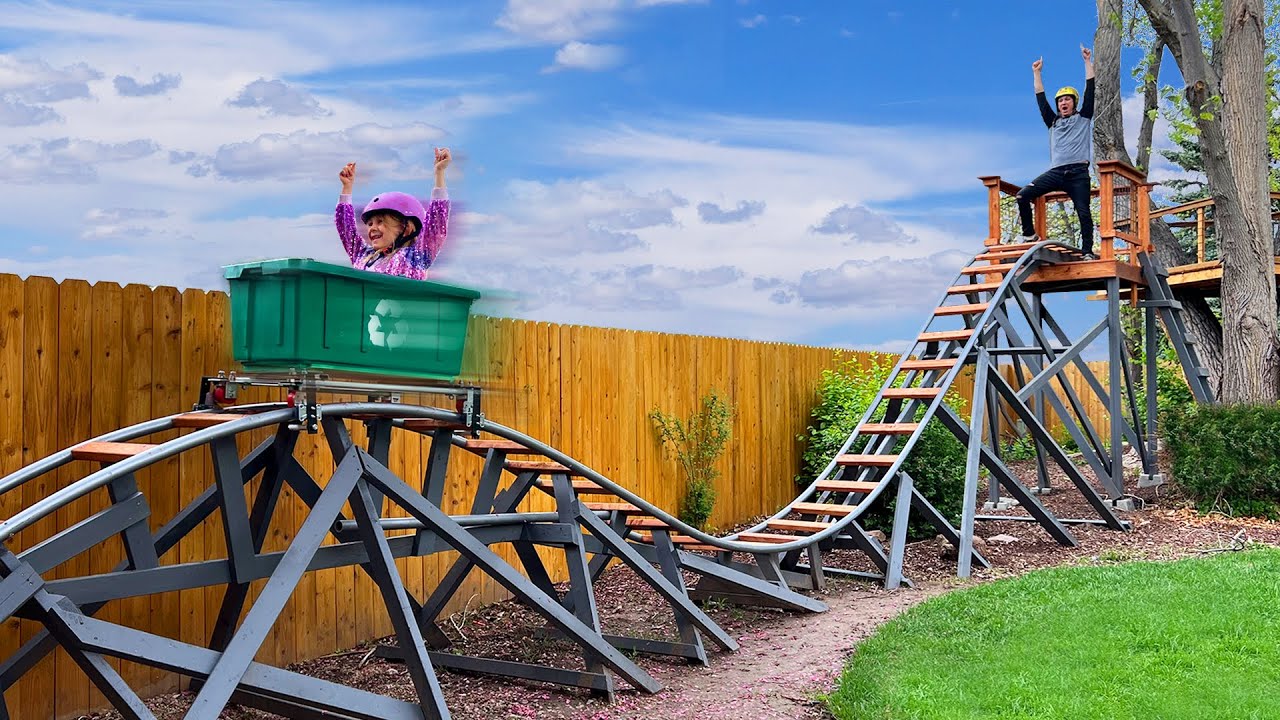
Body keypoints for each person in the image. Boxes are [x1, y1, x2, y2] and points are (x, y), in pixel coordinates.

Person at [1014, 46, 1097, 259]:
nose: (1063, 103)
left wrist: (1087, 61)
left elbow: (1091, 88)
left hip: (1078, 173)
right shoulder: (1052, 122)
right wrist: (1036, 73)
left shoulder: (1084, 117)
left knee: (1083, 212)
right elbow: (1040, 98)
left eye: (1067, 99)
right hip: (1056, 172)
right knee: (1022, 195)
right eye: (1060, 101)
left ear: (1074, 102)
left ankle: (1087, 251)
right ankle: (1029, 234)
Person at [335, 148, 452, 279]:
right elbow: (346, 229)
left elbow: (435, 227)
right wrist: (347, 187)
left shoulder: (414, 257)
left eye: (380, 222)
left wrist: (439, 173)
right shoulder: (363, 256)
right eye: (370, 224)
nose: (372, 228)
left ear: (406, 229)